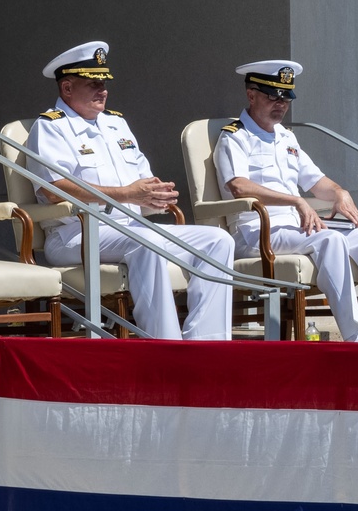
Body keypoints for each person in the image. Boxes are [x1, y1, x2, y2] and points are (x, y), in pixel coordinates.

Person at [27, 42, 235, 340]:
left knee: (217, 240)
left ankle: (207, 342)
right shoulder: (50, 128)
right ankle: (165, 344)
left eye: (104, 83)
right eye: (93, 83)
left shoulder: (116, 124)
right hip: (76, 235)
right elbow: (53, 191)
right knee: (146, 240)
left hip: (130, 227)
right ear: (67, 88)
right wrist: (126, 194)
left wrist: (155, 196)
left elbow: (140, 182)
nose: (103, 90)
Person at [214, 61, 358, 343]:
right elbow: (238, 187)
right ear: (251, 95)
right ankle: (353, 338)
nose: (281, 104)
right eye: (272, 96)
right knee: (330, 240)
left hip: (295, 228)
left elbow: (316, 182)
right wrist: (296, 201)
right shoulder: (235, 137)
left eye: (286, 97)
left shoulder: (286, 137)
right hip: (256, 232)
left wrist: (340, 192)